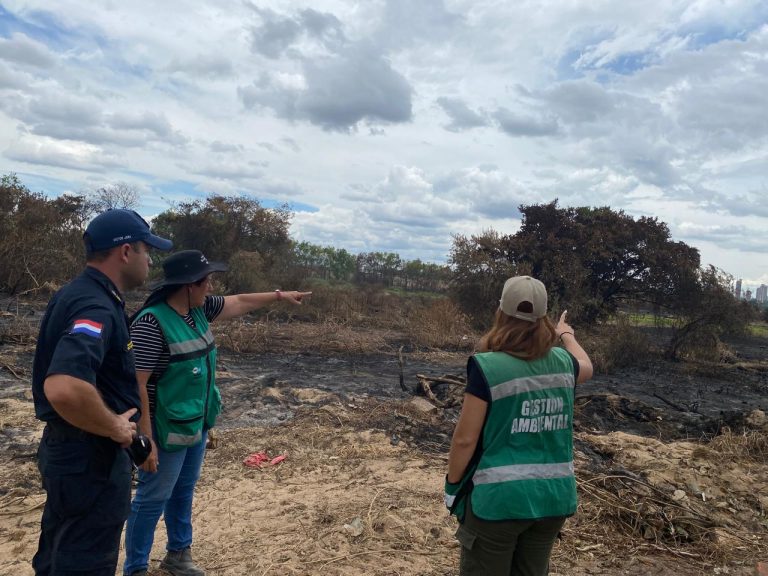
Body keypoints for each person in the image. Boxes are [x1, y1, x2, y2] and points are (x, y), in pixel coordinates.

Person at [123, 249, 311, 576]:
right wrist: (145, 440)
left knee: (182, 492)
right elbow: (137, 386)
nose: (210, 287)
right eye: (206, 281)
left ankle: (178, 555)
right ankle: (136, 567)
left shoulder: (198, 310)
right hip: (164, 432)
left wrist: (280, 296)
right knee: (152, 500)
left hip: (196, 426)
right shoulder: (151, 323)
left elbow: (238, 301)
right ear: (187, 285)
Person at [31, 209, 173, 575]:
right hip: (87, 458)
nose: (150, 259)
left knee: (61, 551)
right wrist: (113, 425)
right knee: (83, 560)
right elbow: (64, 387)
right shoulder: (95, 305)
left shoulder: (83, 294)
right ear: (125, 252)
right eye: (146, 249)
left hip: (75, 454)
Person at [444, 275, 593, 576]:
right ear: (544, 318)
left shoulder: (487, 366)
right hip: (552, 500)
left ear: (501, 312)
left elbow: (464, 441)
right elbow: (587, 366)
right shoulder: (564, 364)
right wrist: (566, 334)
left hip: (497, 505)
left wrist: (452, 488)